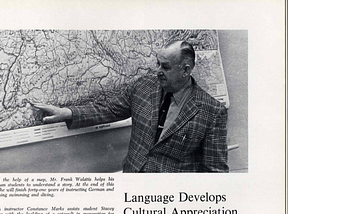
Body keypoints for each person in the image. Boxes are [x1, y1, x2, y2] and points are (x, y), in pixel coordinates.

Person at [33, 40, 228, 173]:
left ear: (186, 70)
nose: (157, 71)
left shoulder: (212, 112)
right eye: (158, 64)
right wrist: (67, 113)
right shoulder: (144, 86)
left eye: (165, 67)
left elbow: (215, 172)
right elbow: (110, 109)